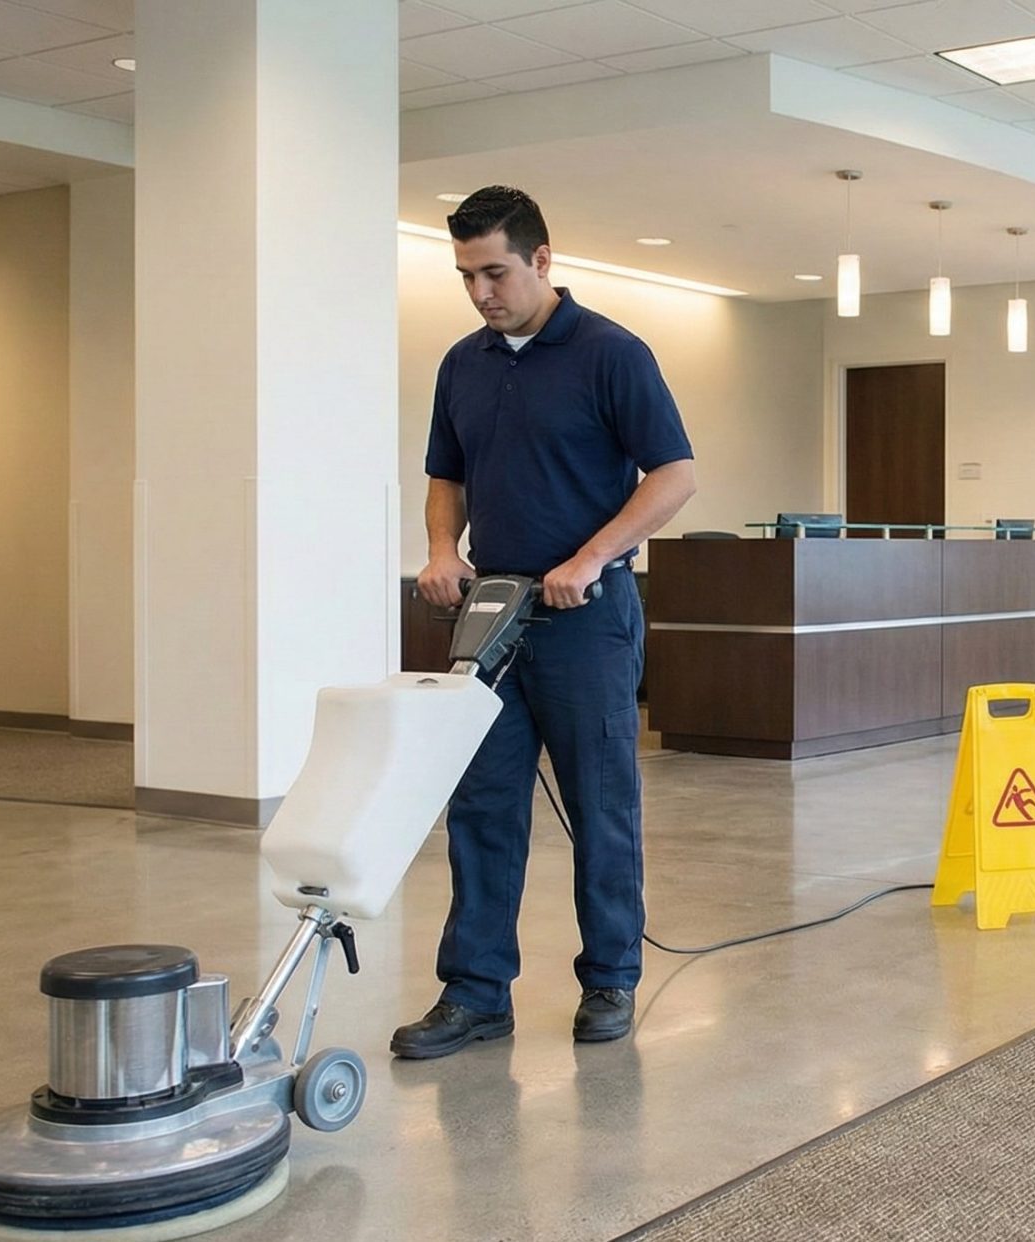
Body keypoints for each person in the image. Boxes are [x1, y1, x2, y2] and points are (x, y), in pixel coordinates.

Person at [393, 185, 696, 1058]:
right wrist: (444, 549)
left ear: (542, 260)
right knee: (481, 807)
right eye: (466, 276)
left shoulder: (611, 354)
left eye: (495, 272)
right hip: (491, 615)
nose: (483, 291)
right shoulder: (464, 362)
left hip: (587, 617)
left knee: (602, 804)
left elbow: (672, 474)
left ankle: (610, 978)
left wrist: (592, 558)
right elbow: (445, 475)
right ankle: (476, 992)